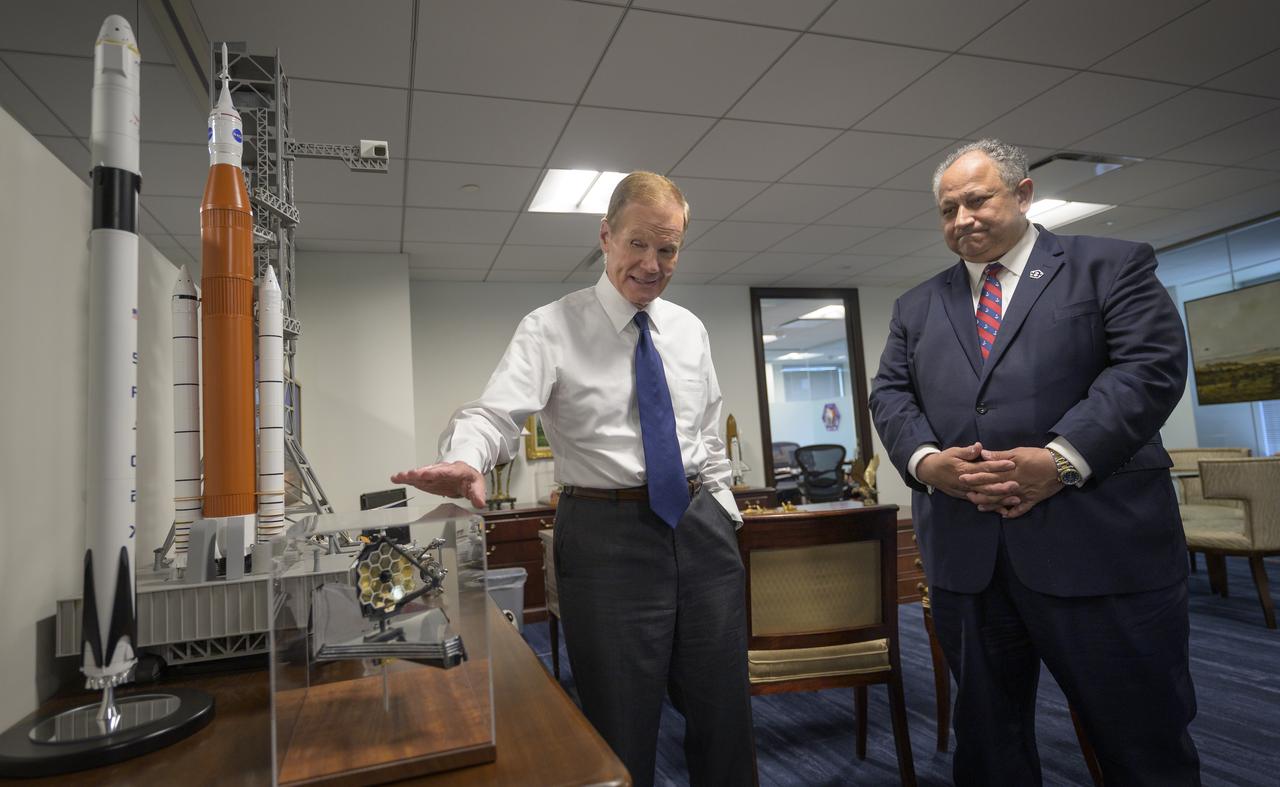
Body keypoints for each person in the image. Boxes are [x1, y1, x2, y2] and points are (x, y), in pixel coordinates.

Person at [392, 172, 755, 787]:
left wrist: (723, 509)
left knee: (726, 721)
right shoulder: (551, 326)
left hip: (702, 534)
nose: (652, 263)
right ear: (606, 237)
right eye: (638, 244)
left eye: (667, 249)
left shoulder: (690, 330)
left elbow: (704, 436)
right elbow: (495, 415)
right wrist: (466, 460)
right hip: (605, 538)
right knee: (620, 728)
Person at [869, 139, 1200, 786]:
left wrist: (1062, 458)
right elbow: (890, 393)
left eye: (976, 200)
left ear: (1023, 194)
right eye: (946, 210)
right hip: (971, 561)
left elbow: (1149, 369)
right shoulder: (917, 306)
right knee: (990, 747)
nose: (961, 219)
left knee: (1140, 740)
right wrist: (926, 460)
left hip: (1097, 549)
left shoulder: (1110, 266)